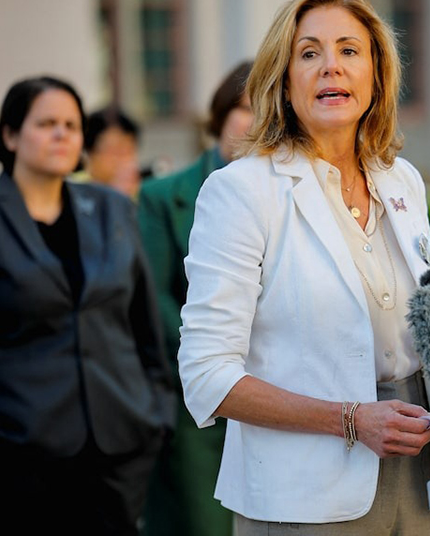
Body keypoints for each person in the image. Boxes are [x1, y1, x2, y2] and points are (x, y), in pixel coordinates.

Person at [177, 0, 430, 534]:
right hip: (301, 495)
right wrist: (350, 420)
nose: (330, 68)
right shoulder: (240, 192)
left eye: (349, 50)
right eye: (309, 53)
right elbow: (207, 376)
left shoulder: (402, 181)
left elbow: (427, 335)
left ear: (376, 74)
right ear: (284, 80)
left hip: (423, 477)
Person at [0, 76, 174, 536]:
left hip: (116, 452)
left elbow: (143, 324)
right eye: (46, 123)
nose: (62, 134)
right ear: (9, 135)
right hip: (10, 459)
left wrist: (156, 413)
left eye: (71, 124)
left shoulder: (113, 209)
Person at [138, 60, 254, 536]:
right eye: (247, 108)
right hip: (197, 401)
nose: (258, 122)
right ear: (221, 114)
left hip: (281, 395)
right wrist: (219, 355)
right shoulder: (164, 195)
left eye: (271, 109)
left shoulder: (289, 196)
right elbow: (154, 296)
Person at [76, 105, 142, 199]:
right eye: (115, 151)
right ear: (89, 151)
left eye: (129, 151)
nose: (123, 159)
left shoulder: (143, 195)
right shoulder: (72, 189)